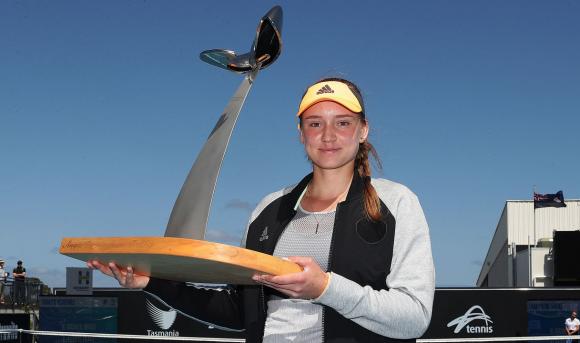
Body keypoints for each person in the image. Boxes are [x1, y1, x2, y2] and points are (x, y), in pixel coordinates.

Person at [89, 77, 435, 342]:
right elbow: (242, 311)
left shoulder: (397, 203)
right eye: (315, 123)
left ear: (363, 130)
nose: (328, 135)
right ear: (301, 133)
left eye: (342, 122)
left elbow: (414, 317)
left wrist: (325, 288)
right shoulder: (268, 210)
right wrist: (153, 283)